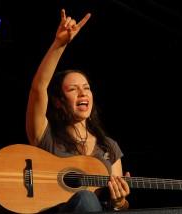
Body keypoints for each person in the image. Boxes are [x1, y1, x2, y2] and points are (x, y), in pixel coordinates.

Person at [26, 9, 130, 213]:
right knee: (85, 197)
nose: (83, 93)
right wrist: (59, 45)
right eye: (73, 89)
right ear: (57, 102)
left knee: (90, 200)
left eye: (87, 88)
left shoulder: (108, 147)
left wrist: (119, 203)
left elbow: (120, 207)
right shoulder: (46, 136)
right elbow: (38, 88)